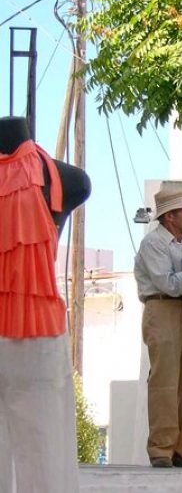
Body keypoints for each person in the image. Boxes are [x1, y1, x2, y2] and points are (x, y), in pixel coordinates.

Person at [0, 115, 90, 493]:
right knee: (46, 444)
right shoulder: (66, 179)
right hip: (38, 333)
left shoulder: (67, 179)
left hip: (36, 331)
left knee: (45, 443)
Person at [134, 186, 182, 468]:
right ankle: (161, 449)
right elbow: (168, 283)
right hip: (162, 308)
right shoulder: (153, 244)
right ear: (169, 216)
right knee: (165, 381)